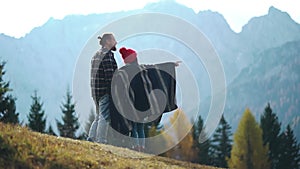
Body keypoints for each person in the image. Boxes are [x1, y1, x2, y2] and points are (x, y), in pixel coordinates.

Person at [112, 47, 180, 151]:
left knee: (133, 127)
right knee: (140, 127)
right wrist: (170, 65)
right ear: (134, 59)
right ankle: (142, 147)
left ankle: (135, 147)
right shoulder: (142, 68)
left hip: (131, 104)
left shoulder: (122, 72)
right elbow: (156, 68)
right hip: (144, 105)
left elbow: (119, 89)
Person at [87, 33, 118, 143]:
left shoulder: (96, 55)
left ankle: (91, 138)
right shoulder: (107, 55)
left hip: (95, 91)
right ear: (108, 41)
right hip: (105, 91)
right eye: (114, 40)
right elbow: (111, 77)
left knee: (98, 116)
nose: (116, 42)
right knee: (104, 117)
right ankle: (101, 140)